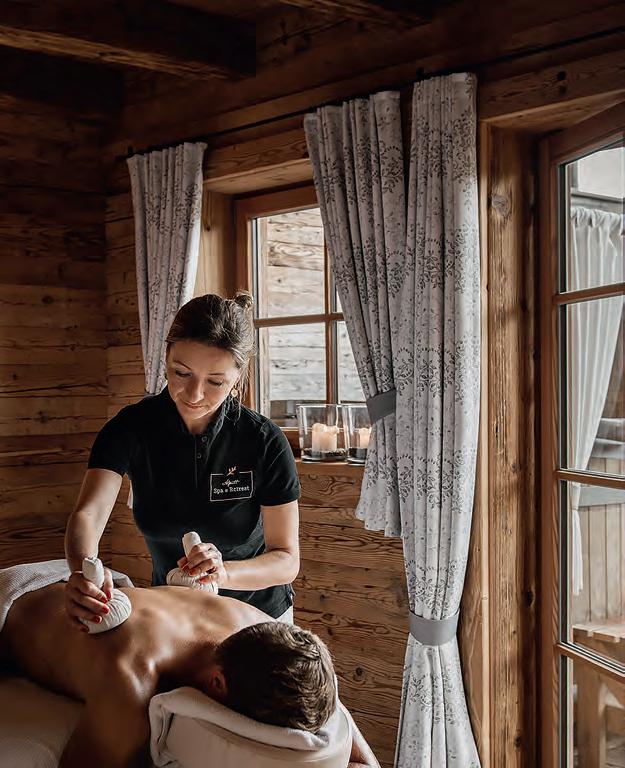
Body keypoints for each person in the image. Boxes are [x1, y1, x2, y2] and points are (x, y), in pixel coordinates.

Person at [65, 293, 301, 628]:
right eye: (181, 373)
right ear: (166, 357)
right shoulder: (130, 428)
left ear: (237, 377)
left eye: (215, 381)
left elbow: (287, 560)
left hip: (259, 618)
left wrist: (223, 572)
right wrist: (82, 570)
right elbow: (88, 514)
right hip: (172, 615)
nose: (194, 395)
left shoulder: (264, 440)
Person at [0, 578, 380, 768]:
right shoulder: (131, 677)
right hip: (15, 602)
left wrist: (364, 761)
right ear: (217, 683)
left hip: (111, 586)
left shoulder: (259, 628)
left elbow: (326, 698)